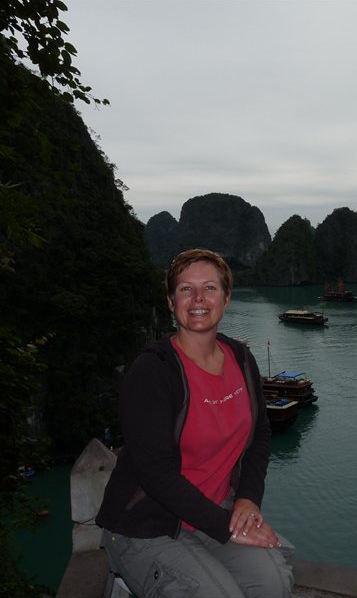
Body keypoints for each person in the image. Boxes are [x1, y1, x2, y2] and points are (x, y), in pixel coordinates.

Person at [96, 249, 293, 598]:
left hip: (214, 508)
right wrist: (227, 528)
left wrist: (247, 499)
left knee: (273, 583)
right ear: (171, 302)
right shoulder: (153, 373)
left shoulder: (241, 359)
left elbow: (260, 433)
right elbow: (156, 474)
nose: (198, 299)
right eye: (186, 289)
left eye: (210, 288)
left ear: (227, 297)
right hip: (146, 523)